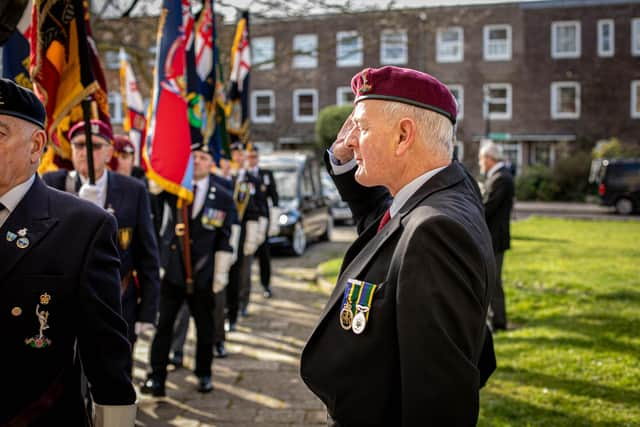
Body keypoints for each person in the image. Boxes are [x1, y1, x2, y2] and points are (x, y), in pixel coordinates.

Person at [300, 66, 496, 425]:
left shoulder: (434, 234)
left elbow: (438, 402)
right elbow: (382, 223)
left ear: (404, 135)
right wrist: (346, 163)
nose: (351, 139)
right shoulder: (446, 188)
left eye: (361, 128)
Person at [0, 79, 136, 425]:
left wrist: (114, 419)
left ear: (36, 145)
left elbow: (104, 350)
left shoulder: (82, 226)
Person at [42, 120, 160, 375]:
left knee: (115, 377)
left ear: (109, 152)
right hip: (62, 302)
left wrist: (148, 311)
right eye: (79, 145)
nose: (85, 151)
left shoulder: (132, 189)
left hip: (117, 300)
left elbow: (147, 253)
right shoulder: (51, 183)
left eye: (95, 145)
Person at [141, 141, 234, 396]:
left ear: (211, 162)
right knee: (163, 327)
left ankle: (204, 373)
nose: (198, 162)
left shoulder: (223, 194)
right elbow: (152, 192)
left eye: (203, 157)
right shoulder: (174, 189)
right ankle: (156, 376)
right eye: (193, 157)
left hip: (204, 274)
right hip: (172, 272)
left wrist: (220, 273)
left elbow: (226, 235)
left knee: (205, 328)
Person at [479, 141, 515, 331]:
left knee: (493, 282)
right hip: (493, 237)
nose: (481, 164)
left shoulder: (501, 178)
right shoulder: (499, 177)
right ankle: (495, 318)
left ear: (489, 158)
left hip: (495, 238)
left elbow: (488, 208)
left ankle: (499, 321)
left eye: (481, 159)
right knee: (491, 281)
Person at [226, 142, 262, 329]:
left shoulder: (252, 180)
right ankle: (227, 309)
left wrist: (256, 232)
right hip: (228, 230)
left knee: (243, 270)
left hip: (245, 229)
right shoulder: (226, 179)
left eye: (241, 155)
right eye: (235, 154)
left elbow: (258, 206)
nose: (239, 158)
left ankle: (241, 304)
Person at [246, 145, 279, 298]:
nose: (252, 160)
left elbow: (274, 198)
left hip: (262, 222)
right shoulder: (242, 175)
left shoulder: (265, 174)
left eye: (254, 157)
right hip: (246, 222)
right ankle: (244, 291)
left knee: (264, 255)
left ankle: (266, 285)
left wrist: (274, 222)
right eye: (249, 157)